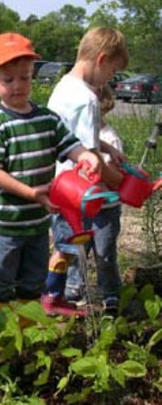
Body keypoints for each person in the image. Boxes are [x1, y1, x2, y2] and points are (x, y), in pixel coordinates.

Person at [0, 32, 101, 338]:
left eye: (24, 77)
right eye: (8, 79)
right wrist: (31, 192)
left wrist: (86, 156)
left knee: (32, 278)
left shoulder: (47, 119)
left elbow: (70, 145)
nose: (18, 86)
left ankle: (28, 333)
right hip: (7, 221)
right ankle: (1, 335)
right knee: (1, 277)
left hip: (37, 220)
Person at [42, 27, 129, 316]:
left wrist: (107, 144)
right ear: (102, 59)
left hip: (60, 184)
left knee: (65, 245)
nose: (110, 80)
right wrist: (122, 181)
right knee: (69, 248)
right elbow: (89, 157)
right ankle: (55, 298)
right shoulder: (87, 100)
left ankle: (58, 295)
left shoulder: (63, 87)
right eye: (113, 72)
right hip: (78, 191)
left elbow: (71, 135)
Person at [63, 84, 124, 314]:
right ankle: (73, 287)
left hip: (106, 209)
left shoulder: (109, 139)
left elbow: (114, 176)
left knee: (104, 253)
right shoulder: (81, 139)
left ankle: (110, 293)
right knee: (79, 249)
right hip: (84, 206)